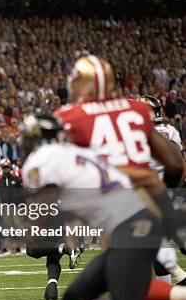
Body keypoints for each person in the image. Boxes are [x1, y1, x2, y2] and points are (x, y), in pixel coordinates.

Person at [20, 113, 181, 300]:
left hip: (129, 228)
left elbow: (41, 217)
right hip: (136, 220)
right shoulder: (81, 154)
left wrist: (29, 231)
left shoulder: (41, 160)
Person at [55, 55, 186, 285]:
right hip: (160, 187)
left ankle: (165, 283)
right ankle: (169, 281)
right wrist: (170, 190)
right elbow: (176, 163)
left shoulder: (74, 116)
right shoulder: (138, 114)